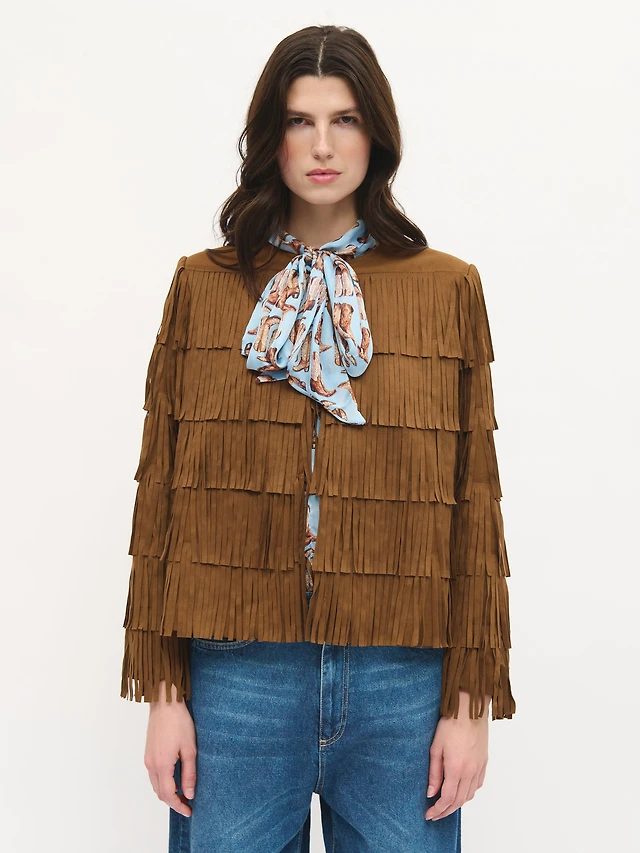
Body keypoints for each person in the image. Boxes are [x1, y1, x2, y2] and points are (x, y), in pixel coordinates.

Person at [120, 24, 516, 853]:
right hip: (238, 676)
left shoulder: (446, 288)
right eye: (301, 120)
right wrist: (165, 692)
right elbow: (162, 493)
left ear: (378, 134)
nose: (324, 145)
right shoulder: (203, 286)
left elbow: (474, 501)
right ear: (271, 135)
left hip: (401, 680)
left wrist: (467, 705)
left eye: (346, 120)